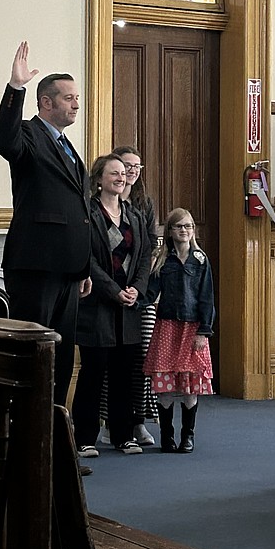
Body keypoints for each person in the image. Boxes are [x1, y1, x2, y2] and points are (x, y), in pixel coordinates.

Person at [0, 41, 92, 409]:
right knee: (32, 357)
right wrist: (15, 88)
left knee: (61, 360)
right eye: (69, 98)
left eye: (77, 97)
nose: (76, 105)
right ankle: (26, 447)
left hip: (67, 272)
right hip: (35, 266)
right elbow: (5, 139)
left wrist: (82, 266)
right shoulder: (28, 135)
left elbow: (78, 210)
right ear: (46, 102)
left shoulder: (68, 147)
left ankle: (54, 451)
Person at [72, 154, 151, 456]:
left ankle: (123, 435)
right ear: (99, 178)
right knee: (93, 372)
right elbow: (86, 258)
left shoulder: (135, 215)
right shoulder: (88, 213)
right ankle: (84, 438)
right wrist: (113, 290)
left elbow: (145, 258)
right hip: (97, 307)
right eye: (114, 173)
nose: (121, 177)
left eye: (123, 173)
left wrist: (136, 290)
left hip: (128, 308)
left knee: (125, 373)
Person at [99, 145, 158, 447]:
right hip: (104, 296)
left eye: (136, 166)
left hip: (140, 296)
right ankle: (110, 424)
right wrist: (114, 289)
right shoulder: (96, 208)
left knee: (137, 362)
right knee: (106, 365)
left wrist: (139, 287)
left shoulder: (142, 205)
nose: (131, 171)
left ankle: (136, 422)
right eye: (125, 166)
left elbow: (147, 250)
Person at [143, 208, 215, 453]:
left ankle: (188, 435)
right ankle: (167, 435)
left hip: (192, 327)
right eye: (179, 227)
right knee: (164, 384)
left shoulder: (201, 260)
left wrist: (204, 331)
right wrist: (133, 300)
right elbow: (151, 293)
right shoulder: (163, 261)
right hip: (167, 326)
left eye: (188, 226)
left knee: (189, 385)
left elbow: (207, 298)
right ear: (170, 231)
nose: (184, 231)